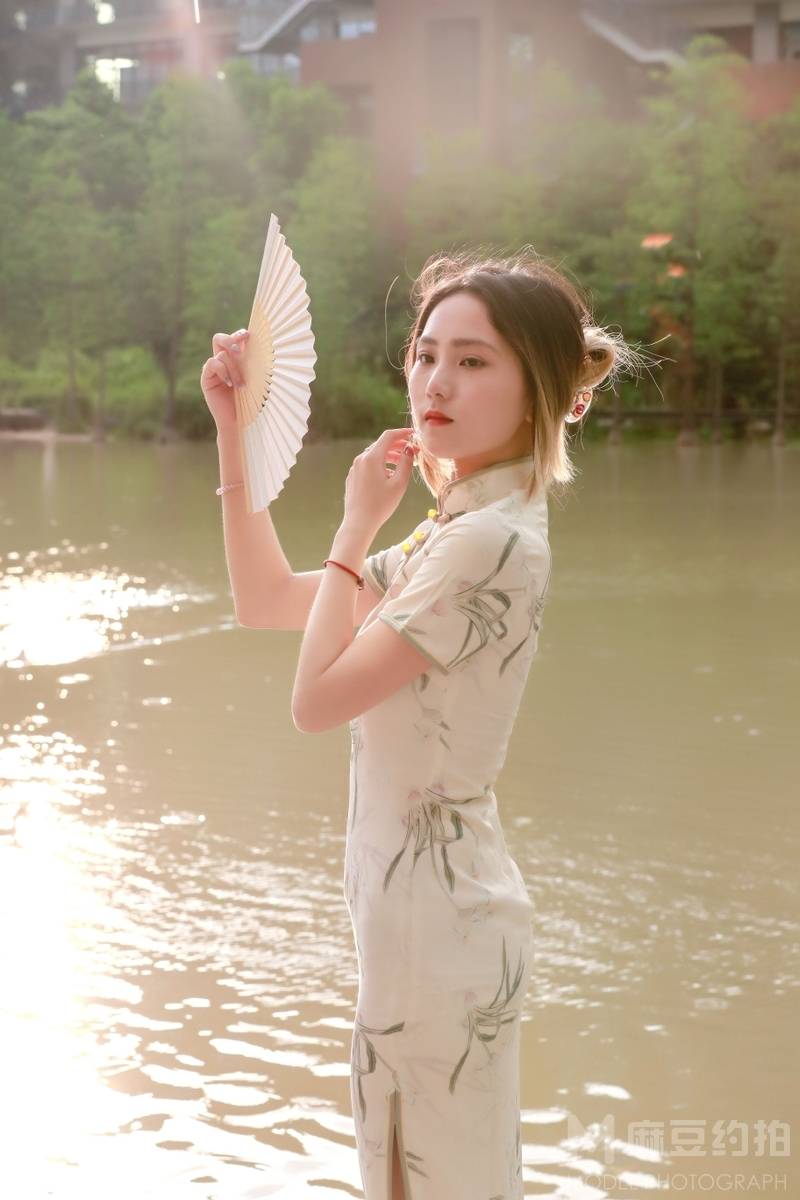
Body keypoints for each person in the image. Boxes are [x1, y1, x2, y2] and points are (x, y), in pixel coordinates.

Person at [201, 247, 649, 1199]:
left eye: (473, 361)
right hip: (417, 919)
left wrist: (352, 529)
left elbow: (316, 703)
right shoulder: (453, 528)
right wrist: (234, 432)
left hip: (439, 933)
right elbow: (264, 599)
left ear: (537, 393)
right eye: (427, 353)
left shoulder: (486, 543)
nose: (436, 381)